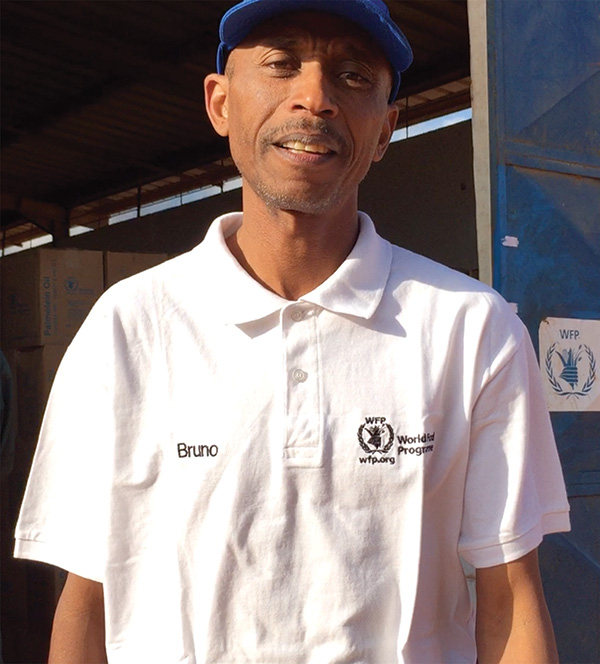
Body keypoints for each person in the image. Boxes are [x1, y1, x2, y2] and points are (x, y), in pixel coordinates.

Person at [15, 0, 570, 662]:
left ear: (387, 129)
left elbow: (510, 601)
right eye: (281, 63)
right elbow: (89, 598)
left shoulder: (470, 329)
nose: (315, 98)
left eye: (353, 76)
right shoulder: (129, 329)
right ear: (220, 103)